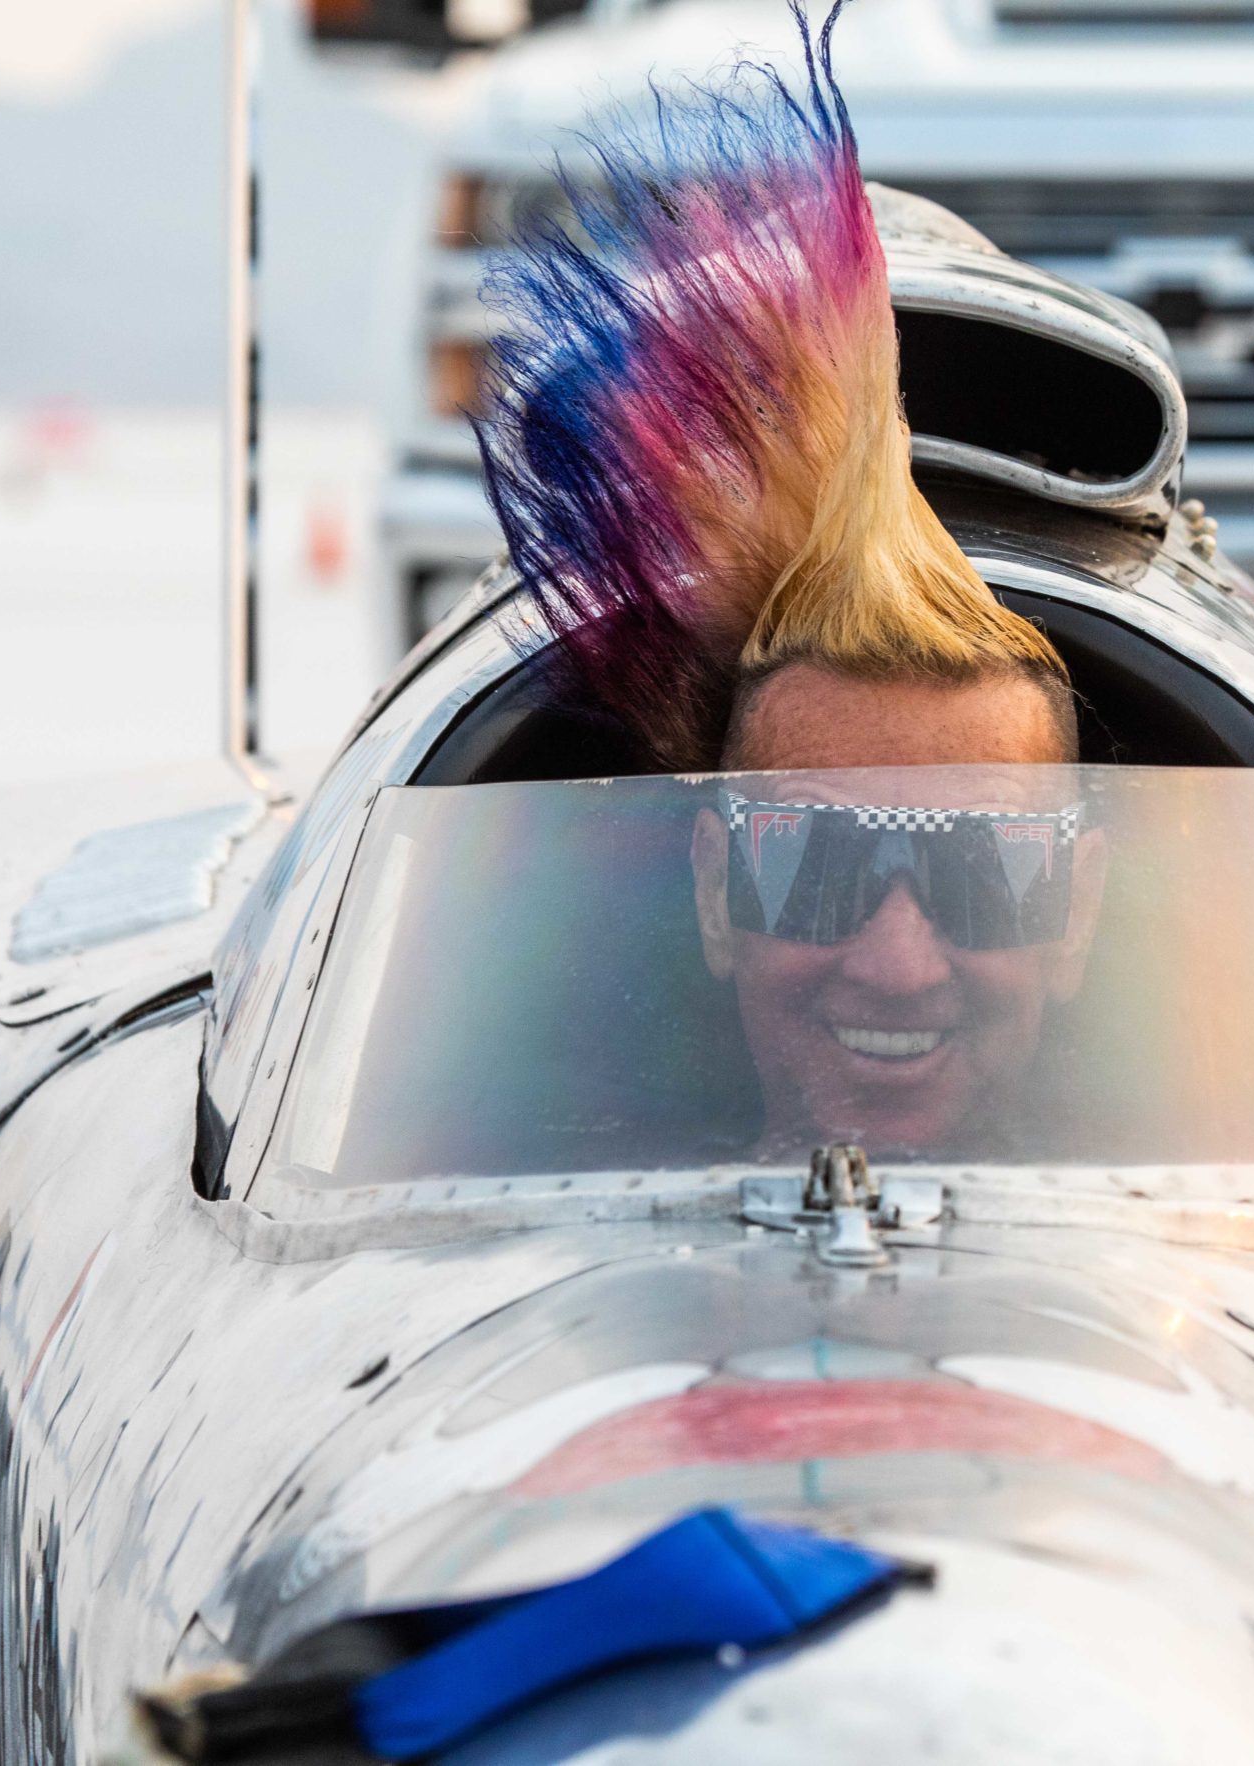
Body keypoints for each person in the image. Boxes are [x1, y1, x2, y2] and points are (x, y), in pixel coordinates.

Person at [469, 1, 1104, 1155]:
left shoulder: (1226, 1245)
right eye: (814, 867)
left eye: (985, 878)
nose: (898, 964)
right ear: (715, 889)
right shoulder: (508, 1198)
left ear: (1079, 908)